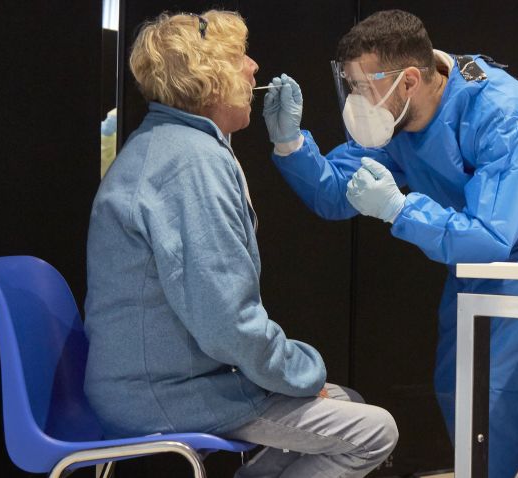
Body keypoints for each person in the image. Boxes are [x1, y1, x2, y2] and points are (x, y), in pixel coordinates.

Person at [262, 9, 518, 477]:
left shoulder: (502, 112)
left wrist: (400, 209)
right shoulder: (393, 118)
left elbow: (492, 234)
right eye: (349, 85)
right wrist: (291, 145)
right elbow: (336, 193)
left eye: (361, 87)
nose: (356, 100)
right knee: (463, 385)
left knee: (513, 390)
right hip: (476, 244)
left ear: (409, 80)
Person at [83, 11, 398, 478]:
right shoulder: (190, 164)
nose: (254, 68)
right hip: (163, 394)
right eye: (239, 58)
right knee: (376, 431)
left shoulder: (174, 146)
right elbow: (227, 321)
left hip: (155, 382)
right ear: (207, 79)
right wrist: (302, 372)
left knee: (346, 402)